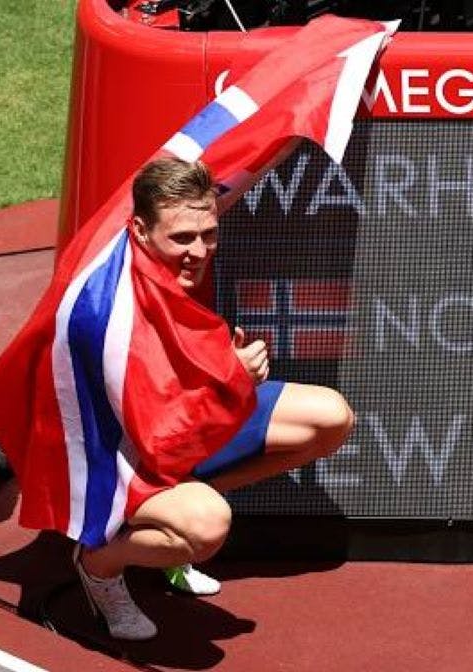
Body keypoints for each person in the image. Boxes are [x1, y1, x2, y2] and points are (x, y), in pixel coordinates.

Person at [73, 157, 355, 640]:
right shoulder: (113, 315)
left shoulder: (169, 260)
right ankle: (100, 561)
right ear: (139, 231)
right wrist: (233, 378)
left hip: (189, 417)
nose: (199, 251)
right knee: (206, 527)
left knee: (332, 419)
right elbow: (158, 439)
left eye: (208, 234)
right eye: (183, 238)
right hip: (124, 455)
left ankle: (180, 508)